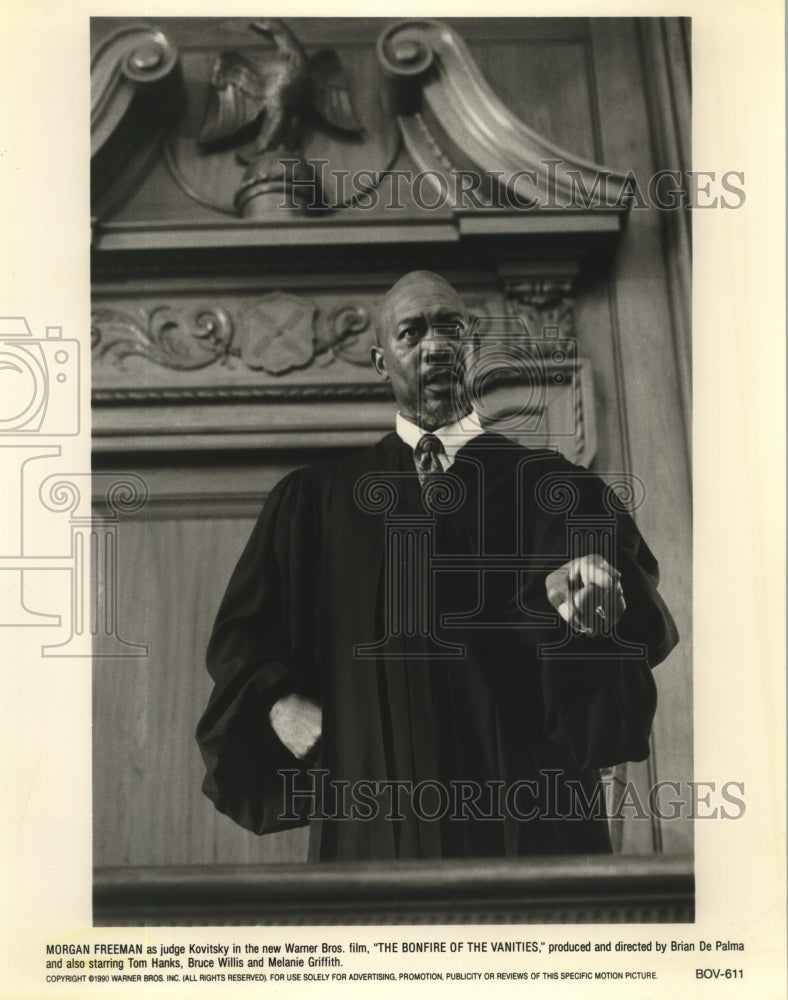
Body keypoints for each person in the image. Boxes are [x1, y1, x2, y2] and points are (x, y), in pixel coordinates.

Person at [196, 270, 678, 861]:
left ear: (473, 344)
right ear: (381, 361)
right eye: (411, 332)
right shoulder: (314, 504)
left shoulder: (559, 490)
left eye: (450, 327)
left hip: (529, 829)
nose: (436, 345)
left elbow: (612, 676)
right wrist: (278, 704)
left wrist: (592, 622)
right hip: (375, 823)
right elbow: (243, 641)